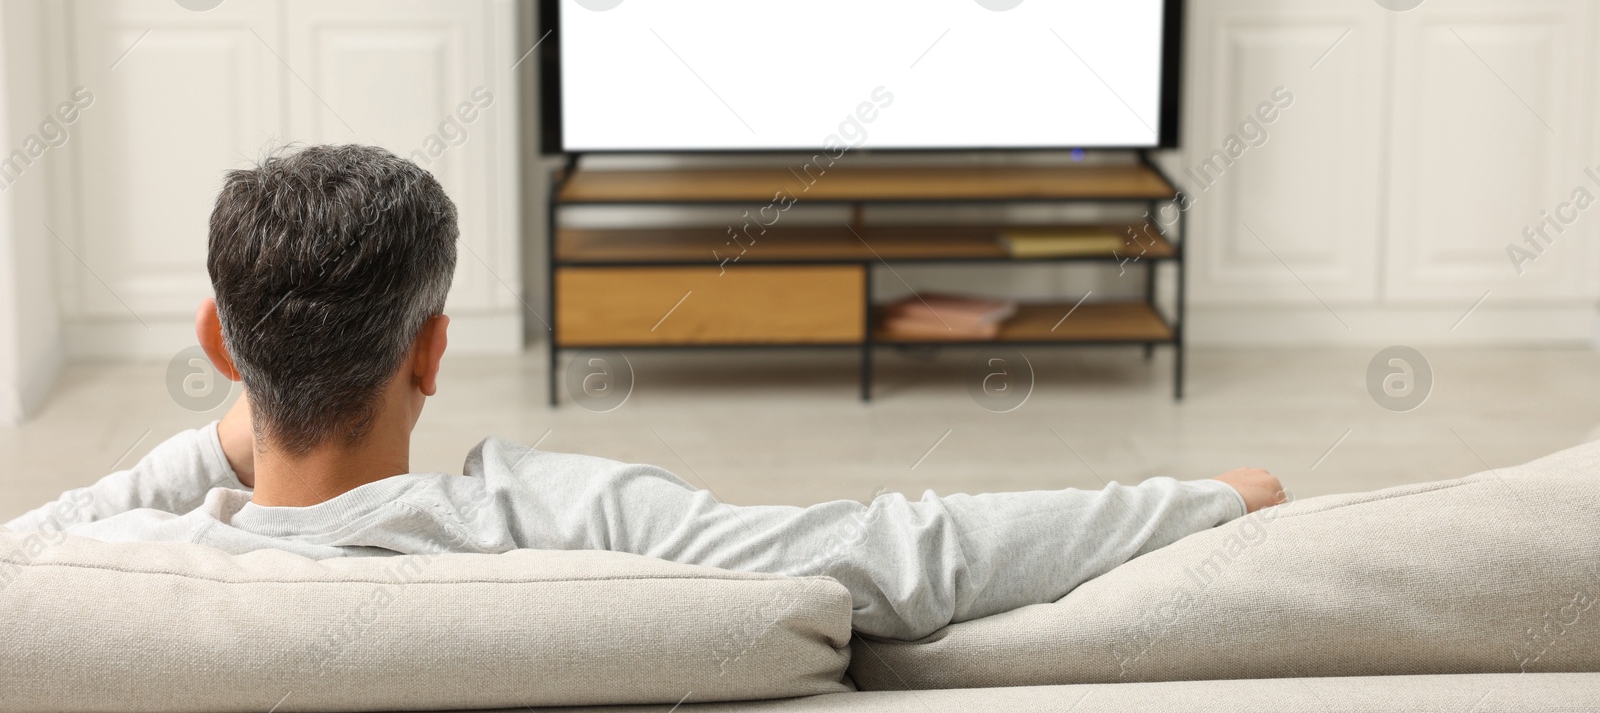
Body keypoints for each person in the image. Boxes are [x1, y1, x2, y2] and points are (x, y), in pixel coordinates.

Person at [4, 145, 1284, 641]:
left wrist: (247, 412)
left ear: (217, 347)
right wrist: (1201, 497)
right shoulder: (562, 522)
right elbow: (894, 556)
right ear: (433, 351)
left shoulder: (118, 575)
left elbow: (32, 542)